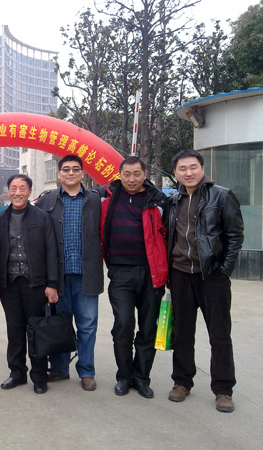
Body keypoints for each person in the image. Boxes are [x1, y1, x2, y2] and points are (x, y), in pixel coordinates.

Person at [167, 150, 244, 413]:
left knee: (219, 335)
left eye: (193, 167)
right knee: (182, 333)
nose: (188, 173)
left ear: (202, 168)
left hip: (212, 276)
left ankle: (223, 389)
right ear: (175, 172)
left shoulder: (221, 195)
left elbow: (235, 235)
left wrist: (223, 271)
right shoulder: (174, 200)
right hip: (180, 274)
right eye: (182, 168)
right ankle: (182, 381)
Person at [97, 156, 168, 399]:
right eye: (126, 174)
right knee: (123, 325)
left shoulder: (158, 200)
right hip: (120, 273)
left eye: (137, 174)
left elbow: (168, 235)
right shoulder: (106, 196)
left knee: (148, 328)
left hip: (151, 273)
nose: (131, 179)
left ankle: (142, 378)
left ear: (145, 174)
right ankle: (124, 376)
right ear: (120, 174)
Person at [35, 155, 103, 392]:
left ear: (82, 173)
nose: (71, 173)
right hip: (58, 276)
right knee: (59, 324)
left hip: (86, 275)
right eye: (66, 169)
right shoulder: (47, 201)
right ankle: (59, 368)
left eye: (75, 169)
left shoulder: (95, 200)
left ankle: (86, 371)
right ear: (59, 174)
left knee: (87, 326)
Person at [0, 174, 59, 394]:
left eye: (22, 188)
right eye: (14, 188)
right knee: (14, 330)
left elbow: (51, 250)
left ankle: (39, 376)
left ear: (30, 192)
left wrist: (52, 283)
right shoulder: (0, 219)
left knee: (36, 330)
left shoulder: (42, 217)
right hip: (9, 283)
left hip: (36, 284)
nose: (18, 192)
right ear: (8, 192)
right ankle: (17, 373)